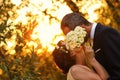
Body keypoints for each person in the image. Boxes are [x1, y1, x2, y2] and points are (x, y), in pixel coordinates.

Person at [60, 12, 120, 80]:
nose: (71, 40)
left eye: (71, 35)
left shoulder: (106, 33)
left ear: (81, 28)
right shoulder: (91, 41)